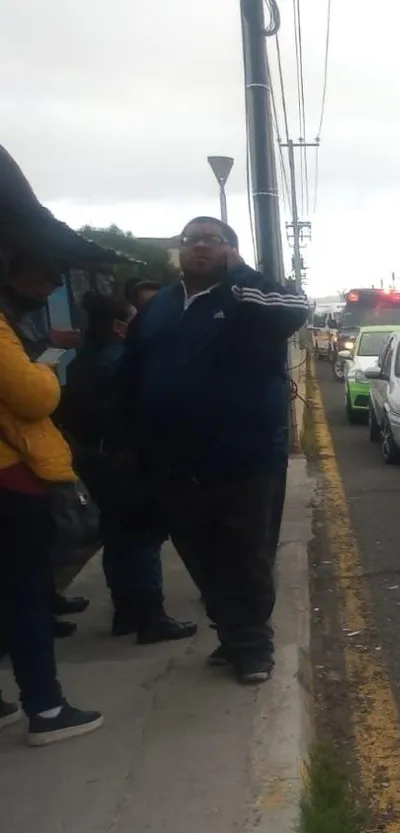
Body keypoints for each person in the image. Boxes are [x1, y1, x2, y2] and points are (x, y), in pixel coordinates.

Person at [116, 217, 309, 684]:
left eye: (211, 240)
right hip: (174, 464)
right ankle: (230, 633)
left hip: (244, 460)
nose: (199, 248)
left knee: (244, 555)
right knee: (200, 555)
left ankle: (252, 646)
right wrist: (126, 440)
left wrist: (240, 273)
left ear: (230, 249)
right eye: (190, 241)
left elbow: (294, 307)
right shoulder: (159, 308)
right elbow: (131, 375)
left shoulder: (246, 297)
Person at [0, 248, 105, 745]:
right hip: (11, 477)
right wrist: (43, 367)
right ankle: (45, 707)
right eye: (44, 278)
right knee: (25, 595)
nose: (46, 289)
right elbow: (33, 395)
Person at [59, 292, 197, 644]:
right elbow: (141, 414)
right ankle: (151, 617)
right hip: (129, 464)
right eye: (136, 320)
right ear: (121, 326)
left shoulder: (80, 362)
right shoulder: (123, 362)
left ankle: (126, 614)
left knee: (117, 540)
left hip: (97, 463)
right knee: (144, 539)